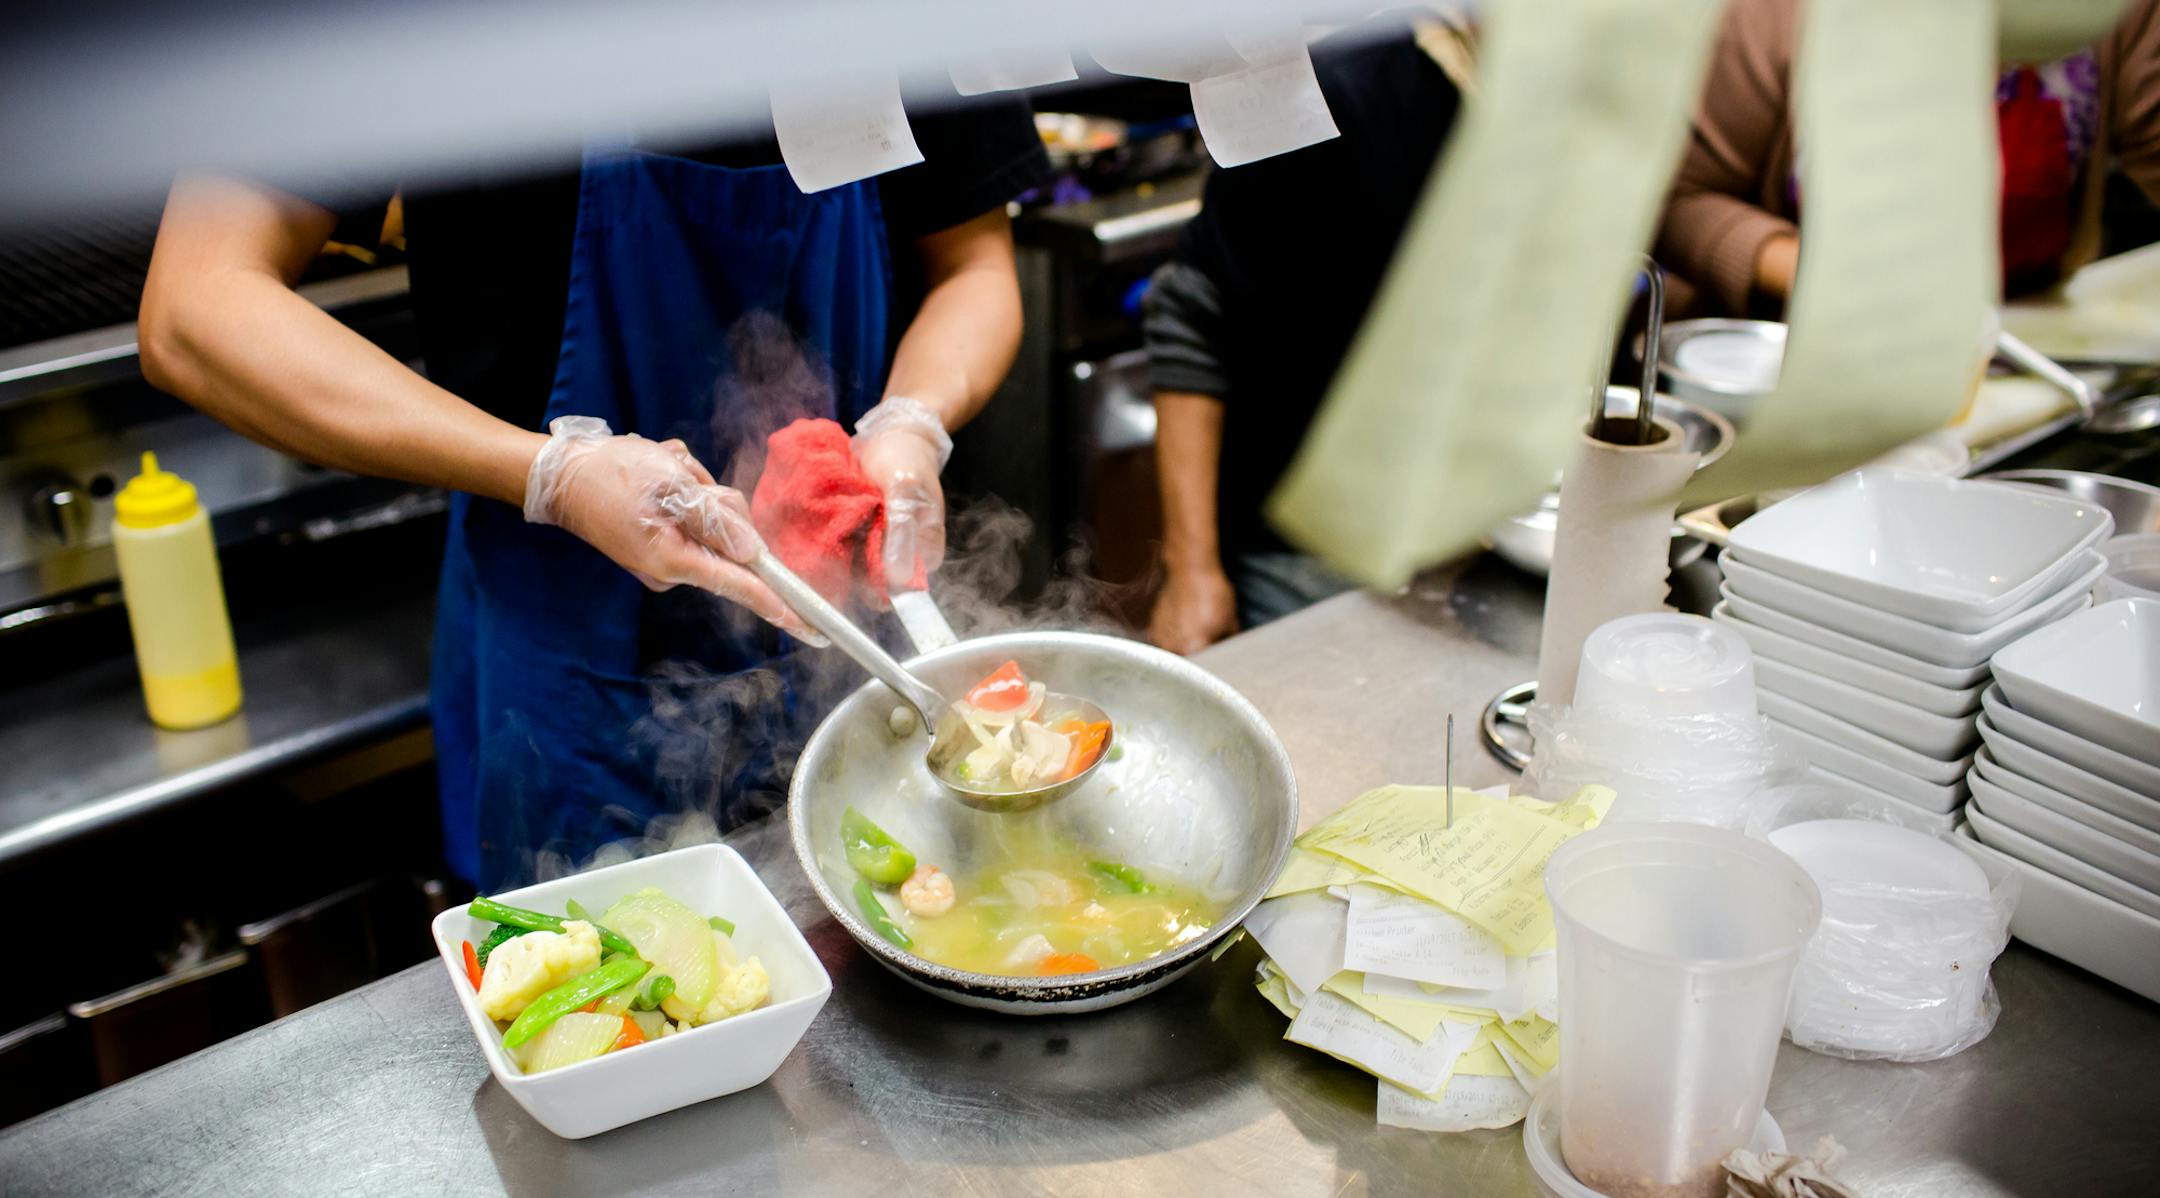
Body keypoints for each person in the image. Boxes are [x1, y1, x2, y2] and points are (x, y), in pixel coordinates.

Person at [139, 90, 1048, 888]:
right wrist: (551, 473)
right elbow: (196, 307)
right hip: (570, 669)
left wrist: (911, 421)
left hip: (847, 645)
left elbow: (974, 264)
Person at [1143, 11, 1472, 654]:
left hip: (1462, 547)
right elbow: (1191, 311)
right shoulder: (1337, 90)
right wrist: (1193, 573)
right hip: (1301, 566)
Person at [1657, 0, 2160, 316]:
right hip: (1784, 364)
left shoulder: (2113, 16)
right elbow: (1677, 199)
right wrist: (1813, 277)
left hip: (2017, 349)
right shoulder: (1774, 15)